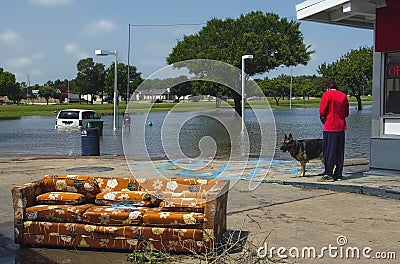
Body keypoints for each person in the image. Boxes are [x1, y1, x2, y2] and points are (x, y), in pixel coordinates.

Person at [319, 81, 349, 181]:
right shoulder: (343, 96)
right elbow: (346, 113)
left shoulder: (326, 95)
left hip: (330, 126)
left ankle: (329, 173)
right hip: (341, 126)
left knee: (329, 151)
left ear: (327, 88)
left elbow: (322, 111)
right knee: (339, 151)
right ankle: (338, 173)